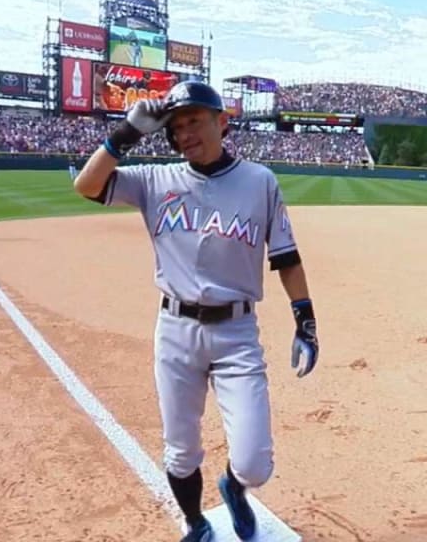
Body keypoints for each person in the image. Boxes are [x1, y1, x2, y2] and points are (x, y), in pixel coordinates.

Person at [73, 81, 320, 542]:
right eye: (177, 126)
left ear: (222, 123)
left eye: (195, 121)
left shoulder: (259, 181)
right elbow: (86, 185)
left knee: (254, 462)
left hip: (236, 332)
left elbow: (285, 257)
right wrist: (126, 133)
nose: (185, 132)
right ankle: (196, 523)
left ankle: (233, 486)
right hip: (175, 331)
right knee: (181, 452)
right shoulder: (155, 180)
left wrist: (305, 321)